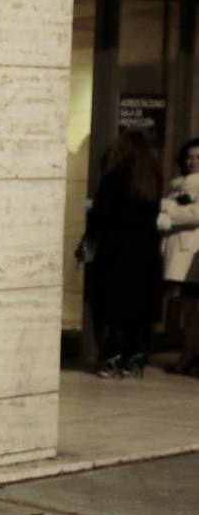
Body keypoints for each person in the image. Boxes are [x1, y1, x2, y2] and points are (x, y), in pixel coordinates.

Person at [84, 131, 164, 377]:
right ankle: (135, 357)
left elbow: (100, 215)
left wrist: (89, 236)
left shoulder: (114, 178)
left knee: (111, 307)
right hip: (146, 252)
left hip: (116, 252)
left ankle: (112, 356)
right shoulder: (153, 180)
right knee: (138, 309)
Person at [158, 138, 199, 374]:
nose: (193, 161)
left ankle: (188, 355)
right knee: (188, 309)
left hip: (191, 253)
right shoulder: (177, 183)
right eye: (189, 157)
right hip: (176, 250)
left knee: (192, 309)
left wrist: (168, 212)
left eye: (198, 157)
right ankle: (188, 353)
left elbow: (195, 214)